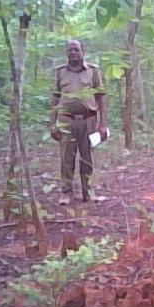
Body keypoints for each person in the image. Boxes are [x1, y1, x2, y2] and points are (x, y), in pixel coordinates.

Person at [50, 40, 107, 205]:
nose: (73, 53)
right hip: (66, 120)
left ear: (83, 51)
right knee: (66, 158)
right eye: (69, 50)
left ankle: (88, 191)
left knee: (87, 157)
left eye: (76, 49)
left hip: (88, 120)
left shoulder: (93, 71)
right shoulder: (60, 72)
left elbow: (100, 97)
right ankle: (66, 193)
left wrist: (103, 123)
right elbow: (55, 98)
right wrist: (53, 123)